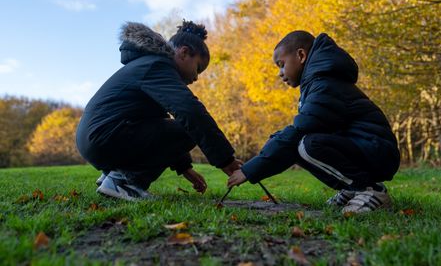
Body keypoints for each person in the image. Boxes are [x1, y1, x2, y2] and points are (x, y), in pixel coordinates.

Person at [228, 30, 400, 214]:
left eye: (281, 64)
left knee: (307, 144)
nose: (280, 73)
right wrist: (257, 165)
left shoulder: (325, 83)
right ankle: (352, 189)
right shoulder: (317, 81)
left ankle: (370, 190)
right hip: (365, 149)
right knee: (300, 144)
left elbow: (299, 130)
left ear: (301, 55)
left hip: (377, 152)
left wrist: (249, 170)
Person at [76, 21, 241, 201]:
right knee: (189, 126)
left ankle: (114, 175)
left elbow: (158, 126)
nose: (196, 77)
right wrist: (225, 159)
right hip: (104, 137)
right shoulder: (157, 66)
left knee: (180, 126)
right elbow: (190, 112)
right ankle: (124, 181)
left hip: (96, 139)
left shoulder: (149, 65)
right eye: (198, 68)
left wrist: (185, 167)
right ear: (184, 53)